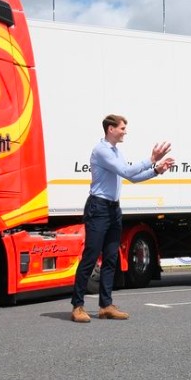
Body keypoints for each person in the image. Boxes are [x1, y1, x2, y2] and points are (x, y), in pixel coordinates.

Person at [70, 114, 175, 323]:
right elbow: (127, 171)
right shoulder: (101, 150)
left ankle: (105, 306)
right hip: (98, 208)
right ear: (111, 129)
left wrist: (156, 170)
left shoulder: (116, 152)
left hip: (113, 209)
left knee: (111, 258)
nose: (125, 132)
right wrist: (152, 159)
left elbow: (132, 177)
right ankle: (77, 306)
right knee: (91, 257)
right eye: (122, 128)